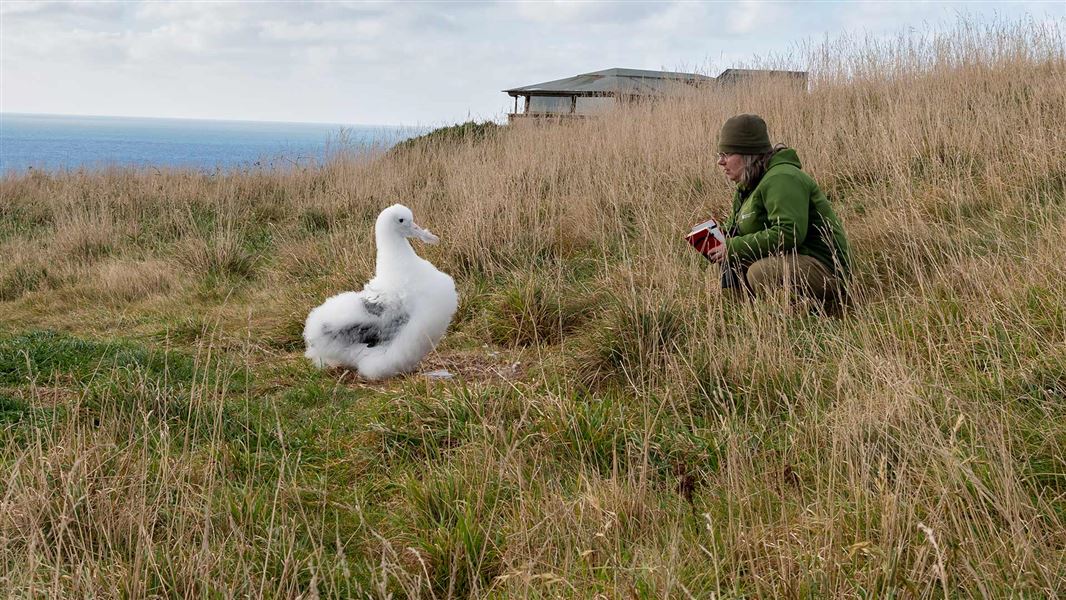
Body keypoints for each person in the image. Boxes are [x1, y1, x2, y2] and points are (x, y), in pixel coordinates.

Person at [705, 114, 851, 311]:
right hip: (791, 259)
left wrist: (734, 247)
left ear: (748, 154)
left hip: (824, 269)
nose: (720, 162)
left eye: (726, 154)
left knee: (760, 272)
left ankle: (811, 310)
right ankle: (757, 315)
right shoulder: (748, 187)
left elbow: (788, 234)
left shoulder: (782, 178)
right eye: (719, 155)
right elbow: (737, 232)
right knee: (725, 268)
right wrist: (715, 240)